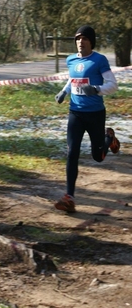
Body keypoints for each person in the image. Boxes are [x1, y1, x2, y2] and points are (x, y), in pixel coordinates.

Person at [54, 25, 120, 213]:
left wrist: (97, 89)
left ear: (91, 42)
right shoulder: (71, 60)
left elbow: (113, 85)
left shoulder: (99, 60)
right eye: (77, 38)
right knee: (72, 152)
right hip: (75, 113)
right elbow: (73, 79)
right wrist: (64, 91)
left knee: (98, 157)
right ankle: (69, 197)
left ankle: (109, 139)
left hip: (95, 114)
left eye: (84, 39)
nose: (80, 42)